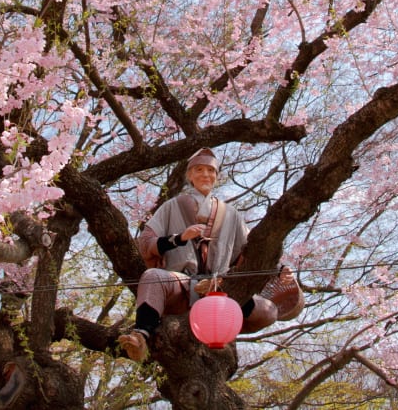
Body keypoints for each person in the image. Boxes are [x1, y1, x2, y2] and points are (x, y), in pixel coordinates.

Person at [118, 147, 303, 362]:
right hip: (183, 282)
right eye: (199, 170)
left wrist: (278, 270)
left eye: (210, 171)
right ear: (190, 176)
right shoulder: (171, 207)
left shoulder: (232, 215)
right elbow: (146, 243)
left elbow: (252, 251)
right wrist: (179, 238)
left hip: (220, 287)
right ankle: (142, 336)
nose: (205, 175)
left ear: (216, 176)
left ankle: (223, 327)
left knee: (269, 310)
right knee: (152, 278)